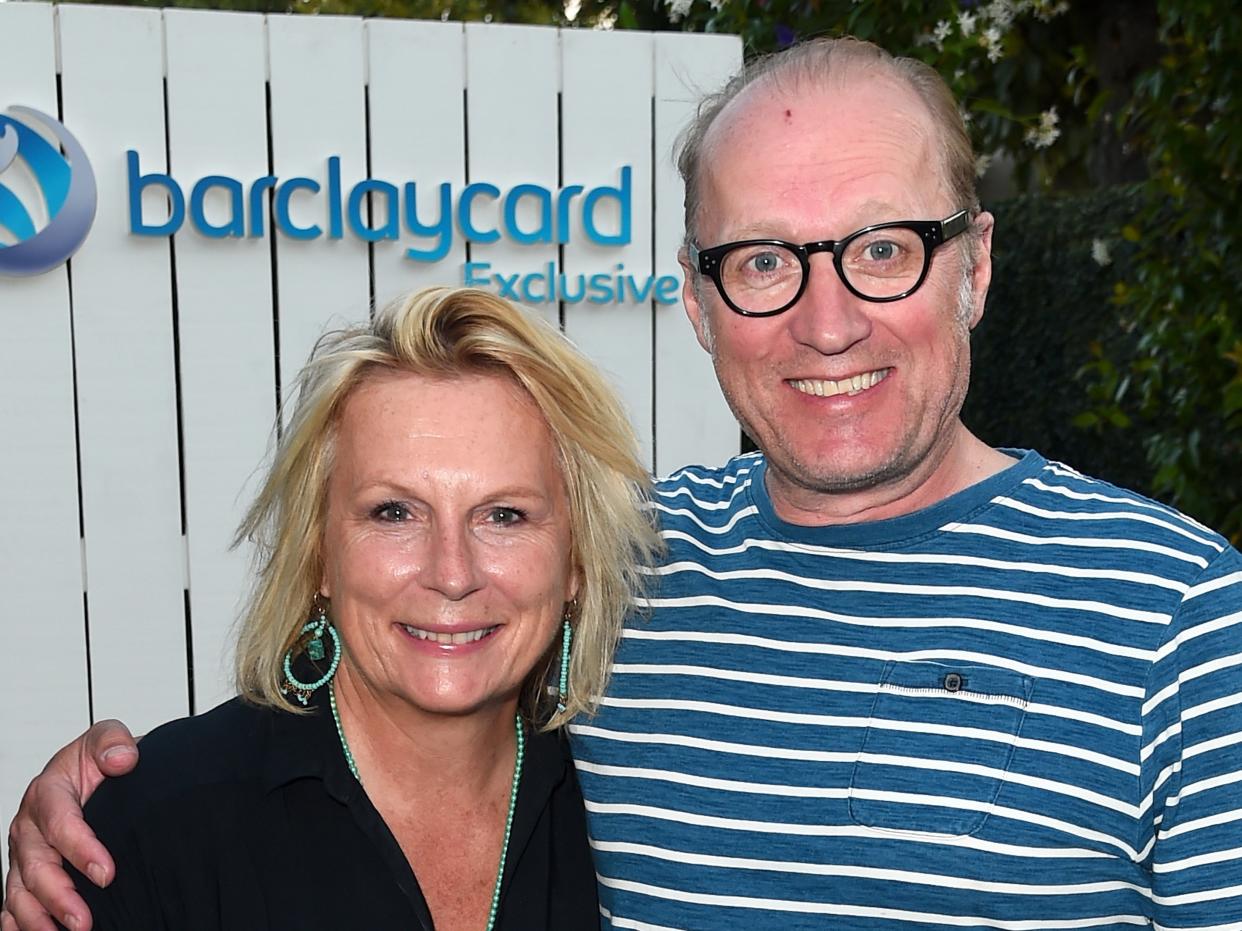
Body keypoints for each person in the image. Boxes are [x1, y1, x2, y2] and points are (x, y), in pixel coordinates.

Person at [8, 35, 1242, 931]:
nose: (825, 322)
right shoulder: (622, 561)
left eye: (880, 248)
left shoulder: (1184, 617)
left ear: (972, 267)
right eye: (763, 260)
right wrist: (104, 801)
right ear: (700, 301)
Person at [1, 286, 660, 931]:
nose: (452, 573)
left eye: (504, 514)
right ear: (318, 553)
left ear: (575, 560)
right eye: (394, 511)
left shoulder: (633, 808)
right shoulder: (155, 826)